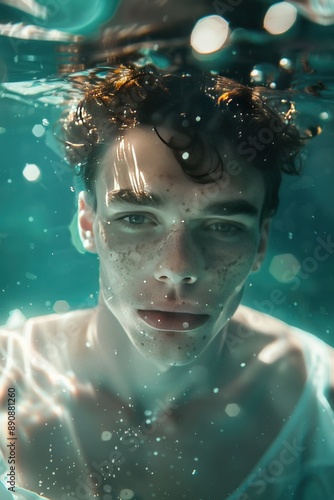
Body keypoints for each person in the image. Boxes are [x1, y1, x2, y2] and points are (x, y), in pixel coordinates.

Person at [0, 65, 333, 500]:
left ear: (261, 242)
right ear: (88, 225)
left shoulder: (322, 402)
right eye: (136, 219)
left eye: (222, 226)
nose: (178, 267)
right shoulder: (10, 376)